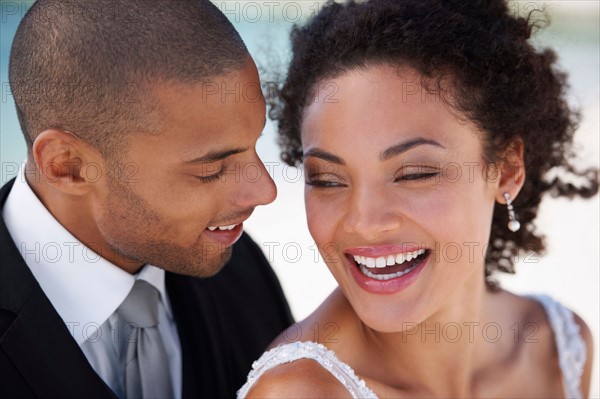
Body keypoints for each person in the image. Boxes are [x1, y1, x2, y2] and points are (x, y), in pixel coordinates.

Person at [238, 0, 598, 397]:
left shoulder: (559, 346)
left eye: (414, 174)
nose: (364, 221)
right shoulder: (300, 392)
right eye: (327, 179)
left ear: (508, 169)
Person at [0, 0, 294, 398]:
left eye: (255, 143)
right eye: (210, 169)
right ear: (67, 166)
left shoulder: (240, 269)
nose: (265, 190)